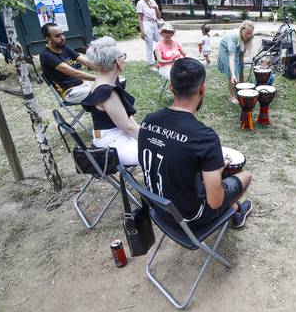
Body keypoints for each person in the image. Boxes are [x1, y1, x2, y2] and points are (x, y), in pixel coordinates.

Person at [138, 58, 253, 228]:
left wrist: (215, 167)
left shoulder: (148, 121)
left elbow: (175, 159)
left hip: (159, 210)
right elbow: (215, 202)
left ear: (171, 88)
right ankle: (236, 210)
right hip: (189, 219)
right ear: (202, 88)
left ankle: (235, 209)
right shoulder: (204, 137)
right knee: (245, 176)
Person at [80, 37, 139, 166]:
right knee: (163, 152)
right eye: (122, 56)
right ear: (117, 61)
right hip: (112, 145)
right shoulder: (107, 92)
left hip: (110, 136)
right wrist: (153, 139)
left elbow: (129, 119)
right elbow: (128, 128)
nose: (124, 59)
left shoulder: (104, 80)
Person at [39, 22, 96, 103]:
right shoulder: (46, 56)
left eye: (62, 34)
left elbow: (86, 62)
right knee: (107, 90)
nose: (63, 38)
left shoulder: (64, 47)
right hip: (69, 92)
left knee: (119, 82)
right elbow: (75, 73)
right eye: (57, 36)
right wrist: (99, 78)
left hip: (82, 85)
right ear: (48, 39)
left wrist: (106, 70)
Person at [217, 20, 255, 104]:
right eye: (247, 33)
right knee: (232, 74)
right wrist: (233, 74)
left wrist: (241, 57)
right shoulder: (233, 37)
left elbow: (244, 46)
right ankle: (233, 96)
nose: (248, 35)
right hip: (226, 50)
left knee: (241, 67)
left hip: (237, 46)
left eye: (250, 33)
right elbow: (231, 57)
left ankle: (242, 89)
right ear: (241, 30)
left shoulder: (249, 36)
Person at [136, 0, 162, 71]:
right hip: (146, 24)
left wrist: (155, 8)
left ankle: (160, 61)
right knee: (149, 45)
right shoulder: (140, 3)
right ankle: (151, 64)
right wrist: (142, 31)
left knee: (160, 43)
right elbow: (139, 18)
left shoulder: (153, 2)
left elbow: (159, 16)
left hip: (155, 24)